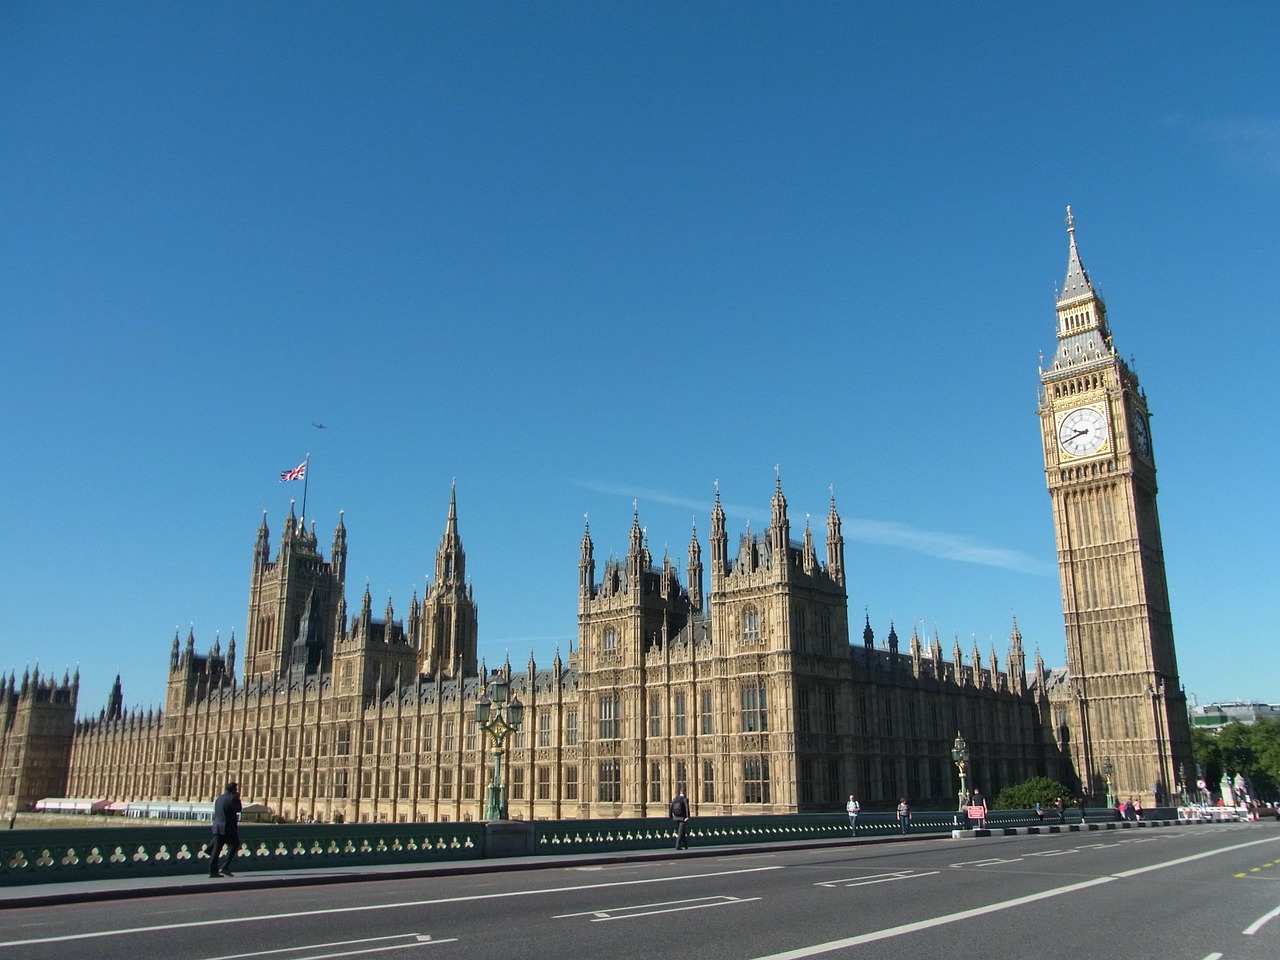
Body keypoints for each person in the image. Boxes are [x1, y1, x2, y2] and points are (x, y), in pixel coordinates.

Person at [208, 781, 242, 877]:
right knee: (235, 844)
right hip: (227, 827)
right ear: (233, 790)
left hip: (217, 826)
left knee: (216, 849)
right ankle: (225, 867)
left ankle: (213, 871)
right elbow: (238, 809)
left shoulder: (219, 798)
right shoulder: (232, 798)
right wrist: (238, 799)